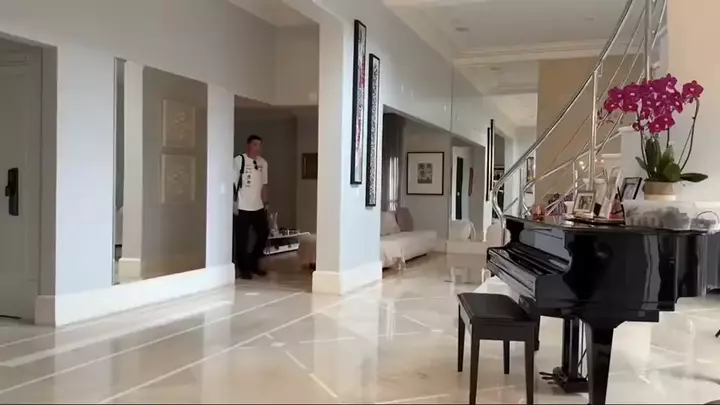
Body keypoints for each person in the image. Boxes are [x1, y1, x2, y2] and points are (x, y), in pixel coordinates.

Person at [233, 135, 269, 280]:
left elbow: (264, 185)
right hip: (242, 206)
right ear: (248, 146)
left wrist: (266, 203)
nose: (258, 148)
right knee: (242, 239)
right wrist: (233, 203)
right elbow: (232, 183)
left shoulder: (263, 163)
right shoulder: (239, 160)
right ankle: (243, 268)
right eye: (255, 145)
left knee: (264, 233)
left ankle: (253, 261)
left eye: (260, 145)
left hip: (258, 206)